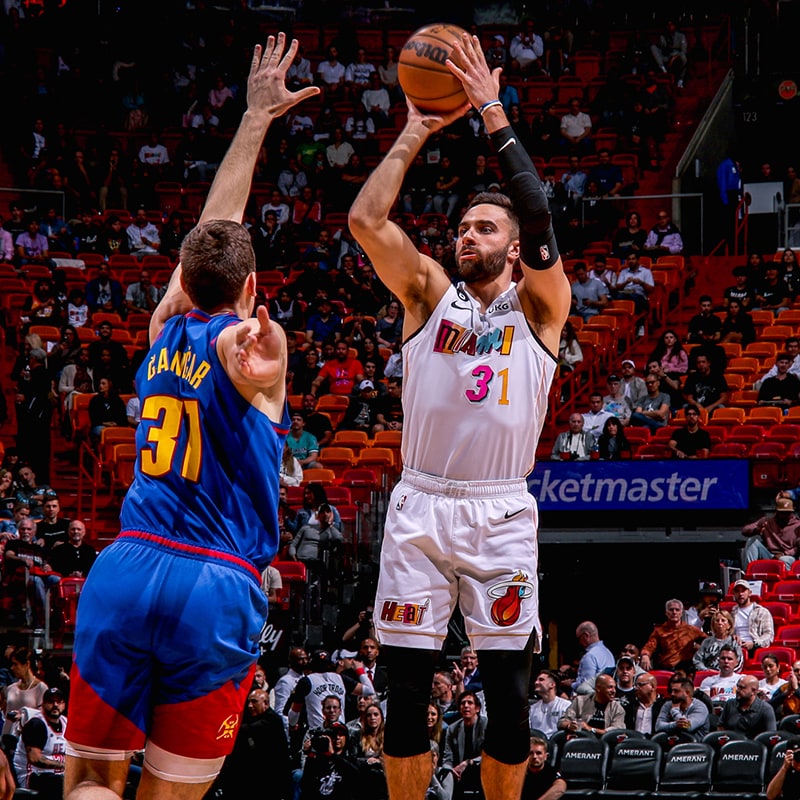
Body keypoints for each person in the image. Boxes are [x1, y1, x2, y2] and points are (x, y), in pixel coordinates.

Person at [63, 34, 320, 800]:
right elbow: (225, 268)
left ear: (183, 276)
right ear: (250, 291)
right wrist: (260, 345)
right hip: (215, 582)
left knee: (88, 784)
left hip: (128, 564)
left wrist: (253, 119)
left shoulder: (161, 328)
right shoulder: (256, 344)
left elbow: (213, 231)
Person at [347, 32, 571, 800]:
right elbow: (367, 223)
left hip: (500, 509)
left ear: (515, 250)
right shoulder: (426, 294)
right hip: (420, 503)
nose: (466, 235)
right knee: (405, 696)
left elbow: (537, 207)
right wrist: (414, 128)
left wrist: (489, 109)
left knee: (509, 701)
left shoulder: (542, 309)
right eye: (464, 227)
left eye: (485, 229)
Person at [211, 687, 291, 800]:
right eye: (248, 702)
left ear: (266, 703)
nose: (250, 705)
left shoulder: (272, 720)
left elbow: (249, 729)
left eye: (254, 702)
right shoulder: (250, 718)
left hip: (270, 777)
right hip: (251, 774)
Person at [12, 686, 68, 799]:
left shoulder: (66, 722)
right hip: (33, 775)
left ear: (64, 704)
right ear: (43, 704)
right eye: (51, 701)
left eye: (59, 701)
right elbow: (35, 759)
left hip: (57, 775)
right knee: (60, 784)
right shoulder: (37, 725)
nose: (55, 705)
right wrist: (64, 765)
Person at [639, 598, 706, 670]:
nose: (674, 612)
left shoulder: (691, 630)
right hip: (665, 668)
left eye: (677, 610)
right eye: (671, 610)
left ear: (681, 613)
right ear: (666, 613)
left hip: (685, 670)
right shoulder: (659, 631)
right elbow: (650, 646)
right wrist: (645, 655)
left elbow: (708, 641)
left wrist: (698, 649)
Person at [741, 496, 800, 568]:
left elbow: (798, 548)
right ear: (777, 512)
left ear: (792, 512)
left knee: (783, 560)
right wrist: (757, 530)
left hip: (787, 557)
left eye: (787, 513)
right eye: (782, 513)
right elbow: (744, 531)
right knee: (752, 541)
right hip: (769, 555)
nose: (784, 516)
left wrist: (784, 554)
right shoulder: (767, 522)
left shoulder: (798, 525)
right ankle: (748, 573)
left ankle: (785, 578)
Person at [557, 674, 625, 735]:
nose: (614, 691)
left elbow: (616, 731)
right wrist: (569, 725)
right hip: (581, 742)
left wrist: (590, 729)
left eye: (614, 687)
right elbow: (562, 722)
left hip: (605, 745)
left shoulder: (617, 708)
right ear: (598, 688)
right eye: (610, 687)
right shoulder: (580, 701)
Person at [729, 578, 776, 657]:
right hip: (735, 648)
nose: (740, 594)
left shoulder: (762, 612)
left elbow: (769, 635)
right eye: (737, 591)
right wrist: (732, 637)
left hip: (755, 648)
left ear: (749, 593)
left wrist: (754, 644)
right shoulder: (732, 613)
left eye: (743, 591)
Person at [654, 677, 709, 741]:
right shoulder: (668, 704)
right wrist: (675, 724)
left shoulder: (700, 707)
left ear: (687, 693)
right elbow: (658, 726)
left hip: (696, 746)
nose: (672, 694)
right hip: (672, 744)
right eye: (672, 691)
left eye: (676, 691)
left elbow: (688, 727)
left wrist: (674, 710)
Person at [528, 671, 570, 740]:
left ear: (552, 685)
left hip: (557, 743)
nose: (536, 682)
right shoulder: (532, 708)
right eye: (536, 680)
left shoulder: (566, 705)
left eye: (541, 680)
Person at [624, 672, 666, 737]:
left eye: (640, 685)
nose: (636, 688)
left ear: (652, 686)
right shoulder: (630, 704)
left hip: (655, 742)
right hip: (633, 742)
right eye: (635, 685)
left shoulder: (663, 705)